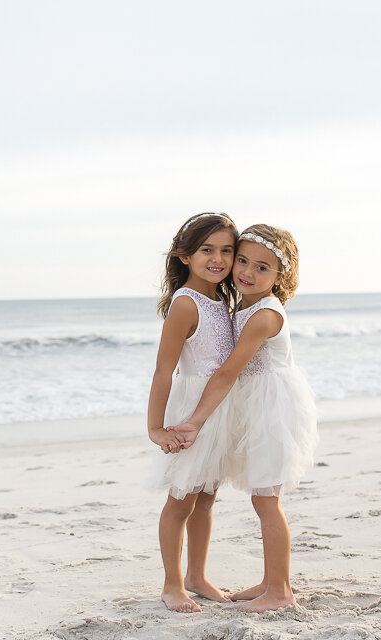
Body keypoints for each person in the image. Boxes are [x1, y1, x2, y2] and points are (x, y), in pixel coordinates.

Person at [171, 223, 319, 613]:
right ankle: (272, 581)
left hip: (272, 409)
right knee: (261, 498)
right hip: (254, 406)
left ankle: (280, 592)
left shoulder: (264, 315)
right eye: (243, 261)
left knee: (266, 501)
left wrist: (197, 420)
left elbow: (227, 373)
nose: (248, 273)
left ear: (281, 275)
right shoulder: (244, 304)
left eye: (262, 268)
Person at [146, 212, 239, 613]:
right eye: (207, 250)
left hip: (218, 410)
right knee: (181, 499)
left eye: (226, 250)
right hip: (190, 414)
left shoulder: (222, 298)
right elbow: (164, 369)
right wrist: (155, 428)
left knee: (206, 498)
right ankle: (172, 585)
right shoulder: (186, 303)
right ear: (185, 255)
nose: (217, 259)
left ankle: (197, 575)